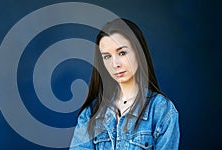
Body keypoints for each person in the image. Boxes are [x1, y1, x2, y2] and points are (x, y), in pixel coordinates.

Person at [69, 18, 180, 149]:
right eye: (107, 56)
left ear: (139, 52)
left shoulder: (162, 110)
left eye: (122, 53)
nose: (115, 64)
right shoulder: (90, 113)